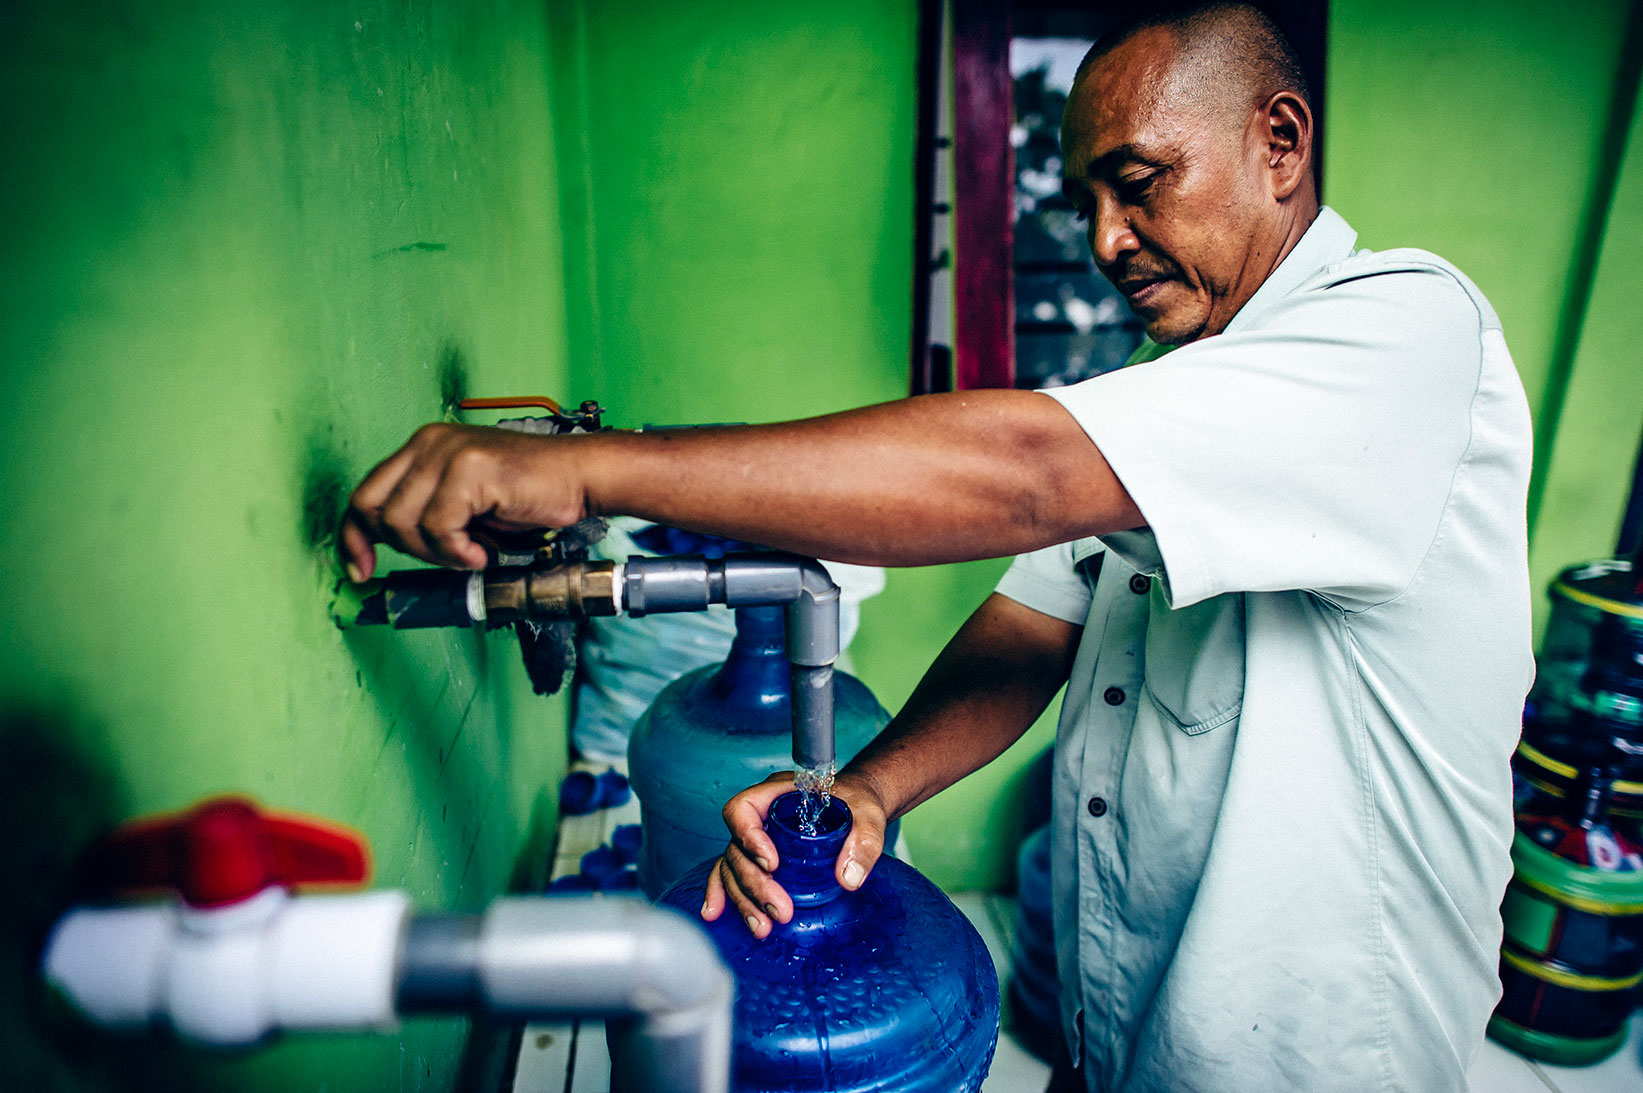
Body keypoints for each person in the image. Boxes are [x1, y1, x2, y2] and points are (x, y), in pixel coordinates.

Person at [341, 4, 1533, 1089]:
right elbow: (1029, 627)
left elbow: (1022, 472)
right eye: (1088, 206)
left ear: (1278, 141)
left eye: (1139, 184)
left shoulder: (1403, 336)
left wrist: (587, 467)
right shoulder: (1175, 393)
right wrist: (869, 788)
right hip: (1131, 1041)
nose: (1110, 241)